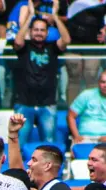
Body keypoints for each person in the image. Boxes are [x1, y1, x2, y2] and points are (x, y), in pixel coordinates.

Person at [13, 0, 70, 146]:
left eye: (42, 30)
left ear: (47, 32)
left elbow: (66, 39)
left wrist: (55, 16)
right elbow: (18, 40)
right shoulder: (24, 47)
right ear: (31, 31)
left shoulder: (52, 47)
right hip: (24, 104)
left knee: (49, 146)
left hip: (47, 104)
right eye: (36, 29)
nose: (39, 33)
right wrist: (31, 16)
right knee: (19, 144)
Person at [64, 0, 106, 103]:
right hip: (73, 40)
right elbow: (62, 16)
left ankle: (91, 112)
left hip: (93, 41)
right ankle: (72, 113)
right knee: (74, 77)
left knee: (91, 77)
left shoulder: (104, 2)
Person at [67, 70, 106, 144]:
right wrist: (76, 136)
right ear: (98, 83)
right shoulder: (86, 95)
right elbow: (70, 116)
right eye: (103, 82)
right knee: (76, 152)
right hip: (84, 137)